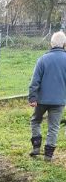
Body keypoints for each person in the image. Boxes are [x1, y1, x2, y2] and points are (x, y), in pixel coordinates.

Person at [29, 31, 66, 161]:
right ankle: (48, 155)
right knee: (54, 127)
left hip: (42, 100)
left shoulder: (43, 59)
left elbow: (35, 81)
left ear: (51, 44)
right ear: (64, 44)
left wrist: (33, 97)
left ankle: (36, 147)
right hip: (59, 101)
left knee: (35, 120)